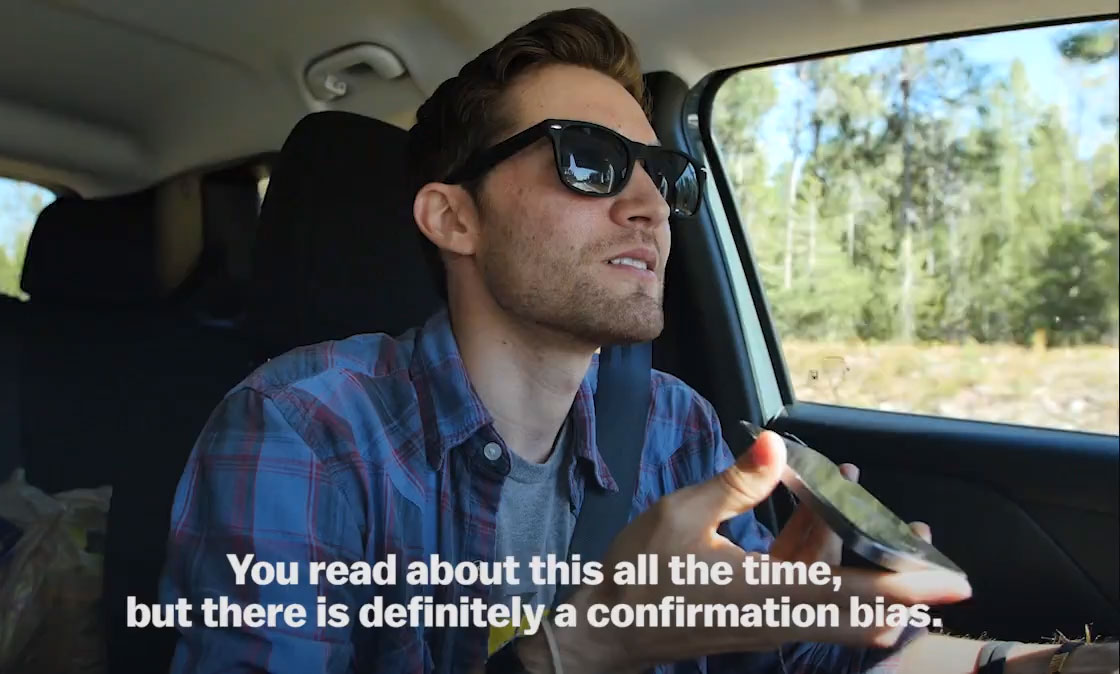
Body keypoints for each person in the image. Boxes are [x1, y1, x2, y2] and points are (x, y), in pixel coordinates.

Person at [160, 9, 1117, 674]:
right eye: (590, 161)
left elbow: (820, 661)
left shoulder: (673, 427)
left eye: (662, 173)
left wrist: (1058, 661)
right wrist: (578, 651)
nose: (651, 205)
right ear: (454, 218)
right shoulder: (300, 432)